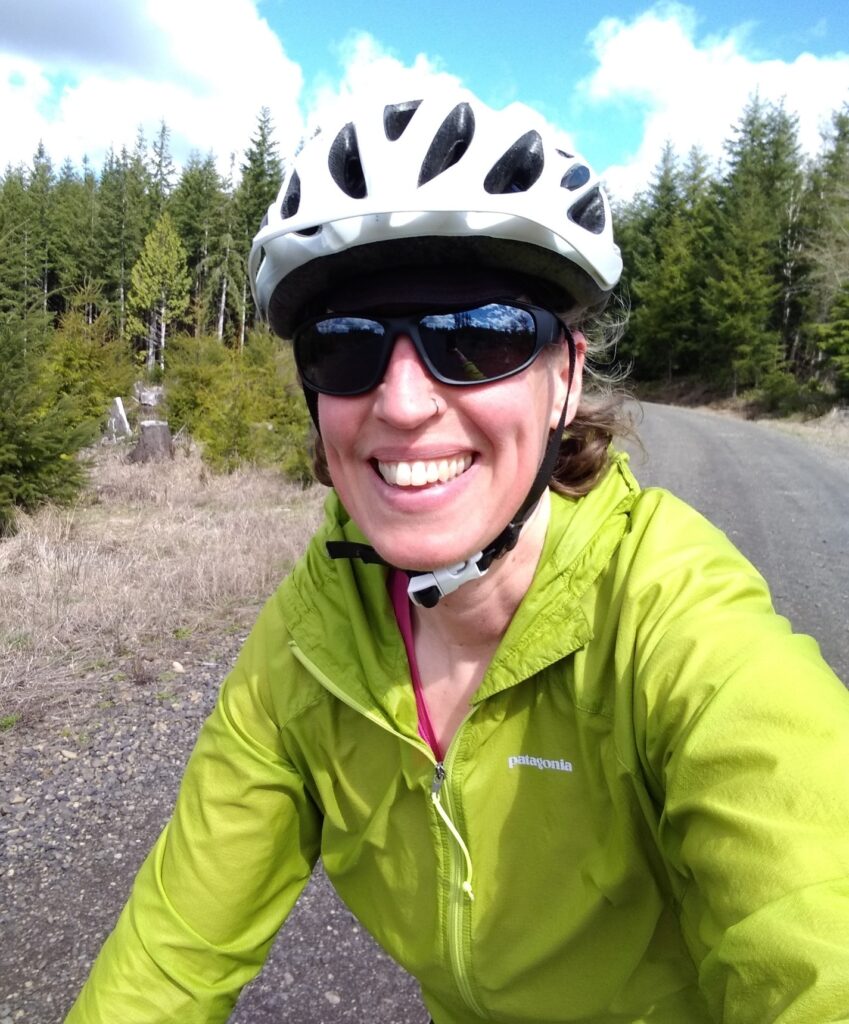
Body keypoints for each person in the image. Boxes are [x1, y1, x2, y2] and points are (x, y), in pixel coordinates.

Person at [66, 88, 849, 1024]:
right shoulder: (319, 634)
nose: (399, 404)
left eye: (474, 338)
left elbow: (813, 920)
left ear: (564, 375)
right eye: (346, 346)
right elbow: (169, 956)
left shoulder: (673, 614)